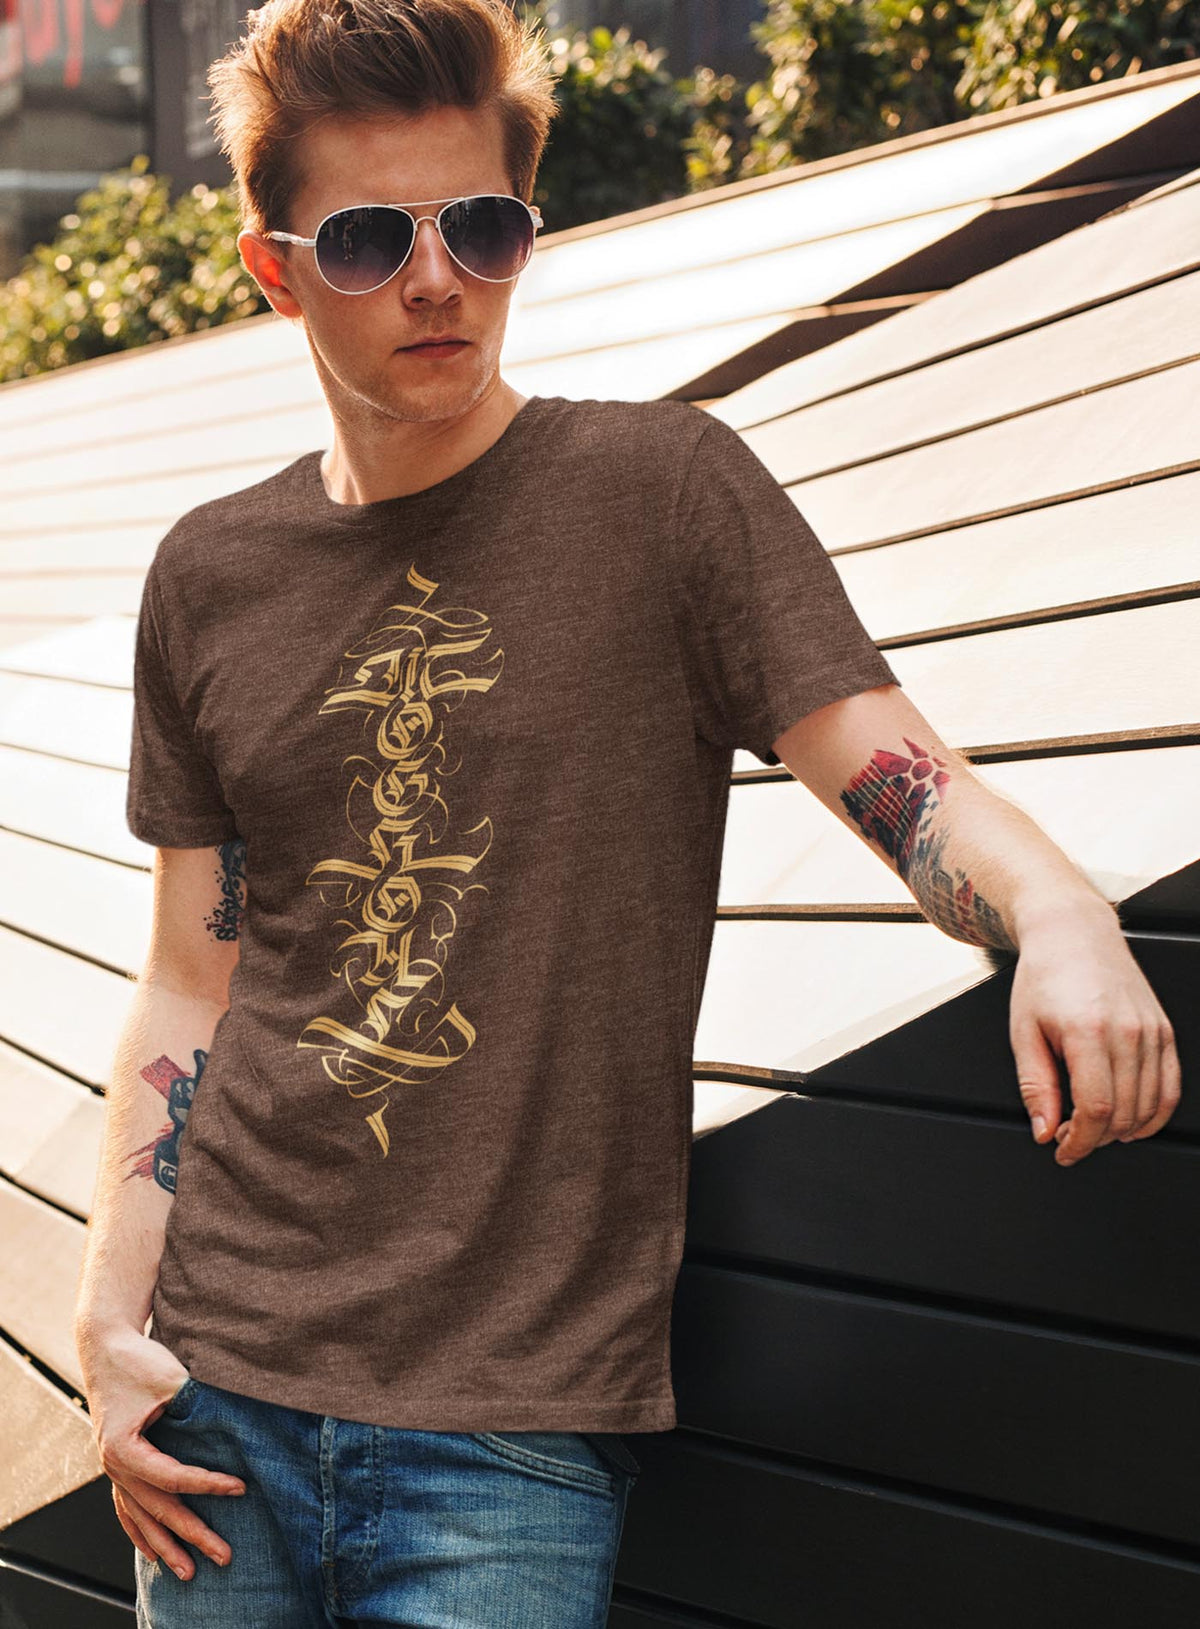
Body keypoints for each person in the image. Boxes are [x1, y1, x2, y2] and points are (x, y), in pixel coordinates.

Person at [72, 1, 1182, 1624]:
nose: (440, 278)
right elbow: (191, 981)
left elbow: (898, 774)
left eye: (486, 226)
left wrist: (1066, 915)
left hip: (506, 1441)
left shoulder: (666, 495)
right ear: (276, 268)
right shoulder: (208, 574)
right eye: (375, 238)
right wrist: (112, 1323)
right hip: (215, 1403)